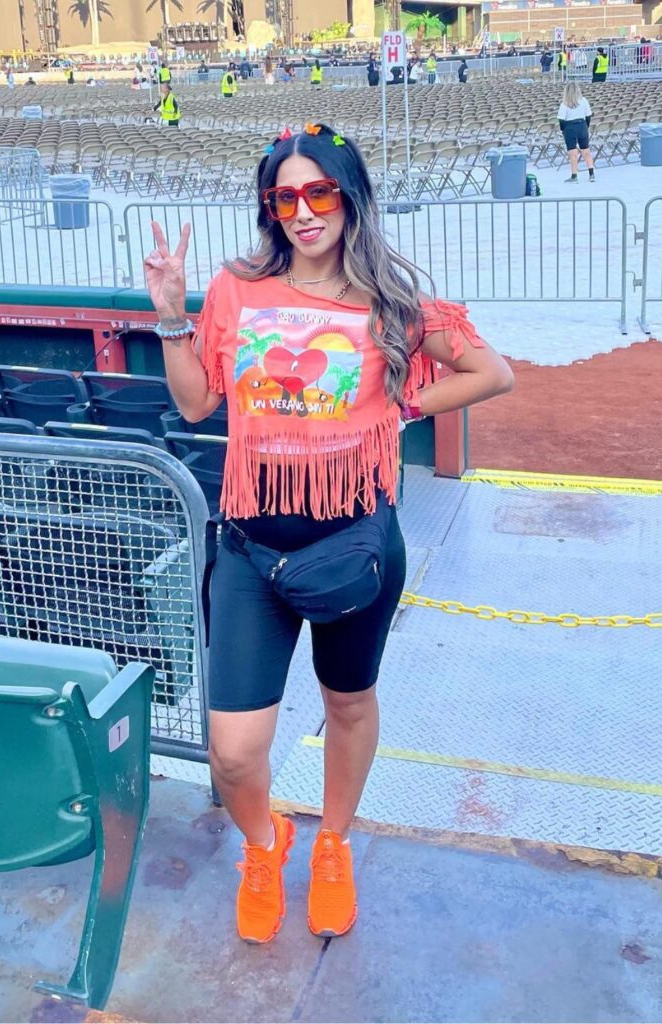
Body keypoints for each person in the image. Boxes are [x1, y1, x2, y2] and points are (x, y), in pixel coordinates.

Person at [143, 123, 513, 945]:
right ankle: (265, 846)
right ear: (269, 208)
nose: (303, 212)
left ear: (349, 196)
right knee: (234, 752)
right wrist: (171, 316)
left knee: (348, 705)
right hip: (249, 548)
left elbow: (491, 373)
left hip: (352, 546)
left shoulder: (387, 301)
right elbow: (198, 404)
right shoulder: (238, 288)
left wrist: (398, 406)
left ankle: (335, 845)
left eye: (319, 193)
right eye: (285, 198)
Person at [558, 81, 595, 183]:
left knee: (573, 153)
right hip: (582, 125)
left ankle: (574, 176)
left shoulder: (564, 104)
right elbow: (588, 115)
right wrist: (586, 126)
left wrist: (563, 130)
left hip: (570, 127)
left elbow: (561, 120)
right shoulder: (584, 100)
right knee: (586, 151)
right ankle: (591, 174)